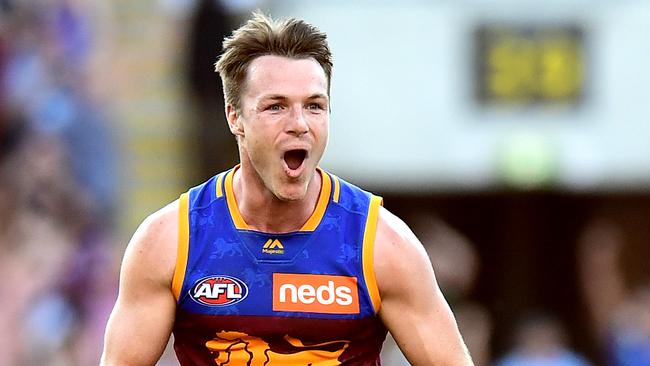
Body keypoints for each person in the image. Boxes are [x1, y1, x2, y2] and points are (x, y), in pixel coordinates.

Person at [101, 11, 472, 366]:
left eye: (314, 106)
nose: (299, 124)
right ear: (235, 117)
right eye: (276, 107)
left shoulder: (380, 243)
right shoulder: (171, 240)